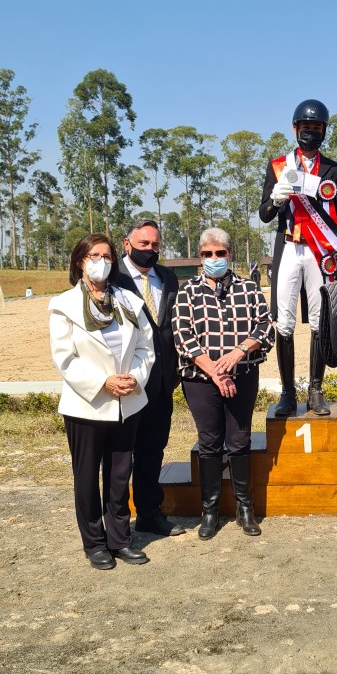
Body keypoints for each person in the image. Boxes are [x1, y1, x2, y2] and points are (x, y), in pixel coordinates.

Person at [48, 234, 155, 570]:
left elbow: (145, 347)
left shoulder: (128, 301)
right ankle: (94, 543)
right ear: (80, 261)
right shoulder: (64, 306)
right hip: (87, 404)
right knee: (86, 477)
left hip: (126, 402)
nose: (102, 262)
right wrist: (103, 382)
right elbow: (65, 358)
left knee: (120, 475)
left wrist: (135, 377)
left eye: (107, 256)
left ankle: (120, 539)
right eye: (94, 255)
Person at [172, 228, 274, 540]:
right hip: (201, 379)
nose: (214, 258)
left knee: (240, 441)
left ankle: (245, 508)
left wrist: (238, 352)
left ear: (229, 255)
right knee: (209, 442)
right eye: (207, 254)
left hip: (242, 375)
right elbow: (183, 336)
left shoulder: (249, 288)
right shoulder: (188, 291)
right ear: (200, 257)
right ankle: (210, 510)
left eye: (219, 253)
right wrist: (217, 373)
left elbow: (265, 327)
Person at [259, 99, 337, 416]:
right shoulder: (278, 166)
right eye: (305, 127)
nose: (310, 133)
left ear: (324, 131)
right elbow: (264, 214)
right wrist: (275, 201)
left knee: (319, 318)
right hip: (289, 246)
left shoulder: (333, 169)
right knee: (284, 321)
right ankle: (287, 392)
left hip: (320, 252)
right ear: (295, 128)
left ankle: (315, 390)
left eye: (316, 128)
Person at [116, 219, 183, 537]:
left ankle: (149, 513)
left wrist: (176, 371)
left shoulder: (168, 276)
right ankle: (117, 522)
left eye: (155, 245)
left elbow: (171, 325)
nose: (150, 250)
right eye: (143, 244)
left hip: (162, 383)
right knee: (119, 456)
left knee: (152, 450)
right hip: (126, 381)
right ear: (127, 244)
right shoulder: (113, 277)